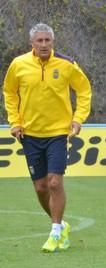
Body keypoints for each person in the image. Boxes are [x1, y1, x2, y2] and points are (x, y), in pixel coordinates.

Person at [2, 23, 92, 252]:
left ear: (53, 42)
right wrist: (15, 122)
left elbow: (83, 90)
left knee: (54, 181)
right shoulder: (18, 65)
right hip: (30, 134)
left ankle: (54, 233)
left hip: (58, 133)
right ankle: (61, 226)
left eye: (47, 40)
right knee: (41, 187)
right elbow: (10, 93)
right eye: (39, 41)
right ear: (31, 43)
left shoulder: (66, 64)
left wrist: (78, 119)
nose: (44, 45)